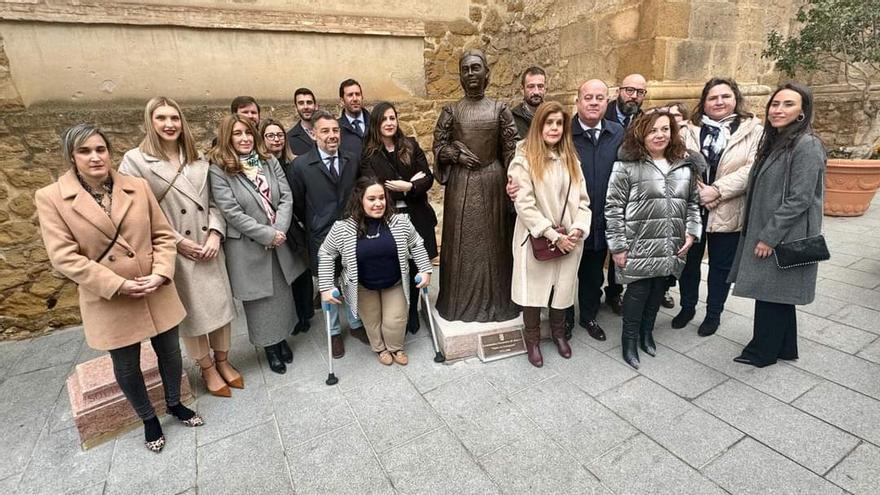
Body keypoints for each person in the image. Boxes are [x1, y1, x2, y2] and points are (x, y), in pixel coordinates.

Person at [36, 124, 202, 453]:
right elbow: (64, 257)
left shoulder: (137, 187)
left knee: (169, 351)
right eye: (85, 151)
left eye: (100, 149)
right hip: (109, 295)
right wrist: (118, 284)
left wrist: (161, 272)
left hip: (154, 286)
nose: (95, 157)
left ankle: (173, 403)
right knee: (126, 364)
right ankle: (148, 419)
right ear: (72, 156)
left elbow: (163, 235)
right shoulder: (52, 198)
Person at [119, 96, 241, 398]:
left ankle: (224, 360)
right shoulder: (135, 161)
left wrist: (215, 233)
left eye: (174, 118)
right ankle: (207, 368)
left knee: (220, 306)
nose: (169, 124)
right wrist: (179, 242)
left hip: (209, 244)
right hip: (176, 248)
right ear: (150, 122)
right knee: (194, 312)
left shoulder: (197, 156)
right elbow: (137, 214)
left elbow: (214, 200)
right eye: (161, 118)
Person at [729, 83, 826, 368]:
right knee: (779, 293)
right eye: (775, 104)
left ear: (802, 112)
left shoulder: (806, 145)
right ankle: (785, 347)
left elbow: (800, 198)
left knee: (770, 292)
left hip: (784, 235)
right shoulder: (779, 140)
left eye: (788, 104)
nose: (778, 109)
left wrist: (769, 237)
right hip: (775, 230)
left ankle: (763, 352)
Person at [208, 115, 306, 375]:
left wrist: (279, 230)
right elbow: (231, 211)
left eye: (248, 133)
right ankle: (269, 348)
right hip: (249, 246)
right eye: (237, 134)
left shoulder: (268, 160)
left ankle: (282, 338)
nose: (244, 138)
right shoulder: (219, 168)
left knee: (282, 292)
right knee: (261, 299)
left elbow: (285, 196)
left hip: (278, 238)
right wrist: (266, 234)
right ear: (227, 138)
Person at [605, 111, 703, 369]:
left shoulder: (683, 166)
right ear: (641, 134)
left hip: (670, 242)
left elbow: (693, 203)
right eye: (652, 130)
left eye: (664, 129)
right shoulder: (626, 166)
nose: (659, 135)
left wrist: (692, 232)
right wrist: (617, 246)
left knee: (658, 290)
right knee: (637, 294)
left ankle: (647, 334)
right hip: (638, 243)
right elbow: (613, 207)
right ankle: (628, 341)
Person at [433, 48, 520, 323]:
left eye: (476, 68)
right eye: (466, 69)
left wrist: (513, 184)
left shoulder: (500, 109)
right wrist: (453, 154)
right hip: (461, 183)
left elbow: (511, 150)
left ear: (487, 73)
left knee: (495, 243)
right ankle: (459, 304)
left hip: (493, 181)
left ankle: (498, 302)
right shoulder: (451, 110)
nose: (471, 74)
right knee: (463, 242)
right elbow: (438, 145)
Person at [675, 78, 764, 336]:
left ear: (736, 99)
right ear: (704, 101)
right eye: (713, 97)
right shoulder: (688, 129)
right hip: (692, 208)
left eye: (725, 96)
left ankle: (714, 314)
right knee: (688, 262)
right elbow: (678, 163)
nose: (719, 102)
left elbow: (752, 168)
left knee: (720, 267)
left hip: (729, 209)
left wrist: (717, 191)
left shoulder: (752, 131)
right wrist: (700, 191)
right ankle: (687, 306)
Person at [508, 101, 591, 368]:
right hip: (536, 238)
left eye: (559, 123)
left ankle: (558, 334)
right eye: (549, 122)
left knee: (563, 290)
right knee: (533, 294)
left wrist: (578, 229)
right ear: (538, 125)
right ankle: (532, 340)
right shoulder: (523, 159)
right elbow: (524, 203)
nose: (554, 128)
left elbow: (583, 201)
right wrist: (553, 236)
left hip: (570, 238)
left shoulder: (571, 159)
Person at [318, 178, 433, 366]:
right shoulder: (343, 228)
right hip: (363, 285)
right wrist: (325, 286)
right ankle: (380, 349)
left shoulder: (400, 222)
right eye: (371, 199)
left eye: (382, 198)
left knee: (395, 320)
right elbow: (326, 253)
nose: (378, 203)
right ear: (360, 200)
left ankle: (396, 347)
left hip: (394, 282)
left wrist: (425, 269)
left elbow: (416, 243)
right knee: (372, 322)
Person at [289, 110, 365, 358]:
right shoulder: (301, 166)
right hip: (322, 237)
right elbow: (298, 203)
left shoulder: (351, 159)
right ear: (313, 134)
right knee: (328, 285)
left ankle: (355, 324)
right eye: (325, 131)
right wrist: (315, 222)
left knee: (352, 279)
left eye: (335, 130)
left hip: (351, 232)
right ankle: (333, 332)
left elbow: (357, 192)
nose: (332, 135)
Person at [360, 101, 438, 334]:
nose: (389, 123)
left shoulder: (410, 145)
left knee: (416, 265)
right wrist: (412, 181)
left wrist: (409, 186)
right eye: (384, 119)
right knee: (396, 265)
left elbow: (428, 179)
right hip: (389, 218)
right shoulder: (368, 154)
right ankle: (398, 313)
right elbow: (374, 187)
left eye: (392, 118)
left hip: (417, 215)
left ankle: (413, 311)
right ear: (376, 123)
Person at [565, 79, 625, 341]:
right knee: (565, 274)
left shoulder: (618, 133)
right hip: (567, 221)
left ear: (606, 102)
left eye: (599, 98)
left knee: (592, 275)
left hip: (601, 219)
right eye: (588, 97)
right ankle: (563, 320)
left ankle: (588, 315)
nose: (593, 102)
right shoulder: (562, 133)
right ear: (577, 101)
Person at [261, 118, 315, 335]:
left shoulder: (294, 164)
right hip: (274, 228)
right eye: (271, 135)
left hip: (296, 226)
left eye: (280, 135)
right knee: (286, 276)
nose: (277, 139)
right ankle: (291, 317)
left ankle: (305, 315)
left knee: (302, 272)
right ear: (262, 139)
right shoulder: (260, 168)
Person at [511, 66, 547, 139]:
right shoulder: (512, 119)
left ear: (545, 89)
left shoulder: (553, 116)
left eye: (540, 86)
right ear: (522, 89)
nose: (536, 92)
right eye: (531, 86)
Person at [338, 79, 370, 159]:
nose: (355, 99)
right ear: (342, 101)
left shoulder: (375, 123)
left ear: (362, 97)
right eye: (350, 95)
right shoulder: (336, 128)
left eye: (358, 94)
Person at [287, 87, 319, 156]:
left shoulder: (330, 131)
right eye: (301, 103)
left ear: (316, 106)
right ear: (296, 108)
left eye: (309, 102)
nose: (306, 107)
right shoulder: (290, 138)